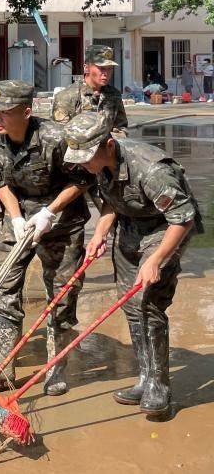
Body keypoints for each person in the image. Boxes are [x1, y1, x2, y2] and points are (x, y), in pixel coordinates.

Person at [64, 111, 202, 419]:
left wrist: (156, 259)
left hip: (165, 229)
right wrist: (99, 234)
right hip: (131, 226)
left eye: (87, 157)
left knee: (148, 303)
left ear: (109, 145)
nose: (83, 164)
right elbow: (112, 202)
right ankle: (145, 378)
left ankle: (159, 386)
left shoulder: (152, 170)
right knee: (129, 304)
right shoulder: (99, 164)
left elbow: (183, 219)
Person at [0, 80, 92, 393]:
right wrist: (16, 217)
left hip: (61, 219)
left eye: (5, 111)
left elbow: (82, 179)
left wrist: (49, 213)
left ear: (26, 112)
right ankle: (2, 369)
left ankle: (56, 367)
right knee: (3, 285)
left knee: (61, 294)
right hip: (18, 213)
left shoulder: (55, 138)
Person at [52, 44, 128, 132]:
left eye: (110, 68)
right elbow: (59, 134)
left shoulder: (114, 95)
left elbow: (121, 127)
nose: (106, 73)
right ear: (86, 68)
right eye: (102, 68)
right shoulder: (67, 96)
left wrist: (113, 138)